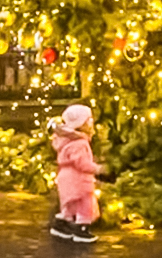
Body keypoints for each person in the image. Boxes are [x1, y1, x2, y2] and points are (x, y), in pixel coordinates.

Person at [51, 103, 103, 243]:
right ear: (80, 123)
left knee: (69, 203)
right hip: (77, 178)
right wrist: (97, 168)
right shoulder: (79, 142)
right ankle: (82, 229)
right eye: (88, 119)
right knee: (84, 204)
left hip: (65, 175)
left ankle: (61, 225)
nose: (91, 122)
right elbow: (82, 163)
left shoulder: (67, 139)